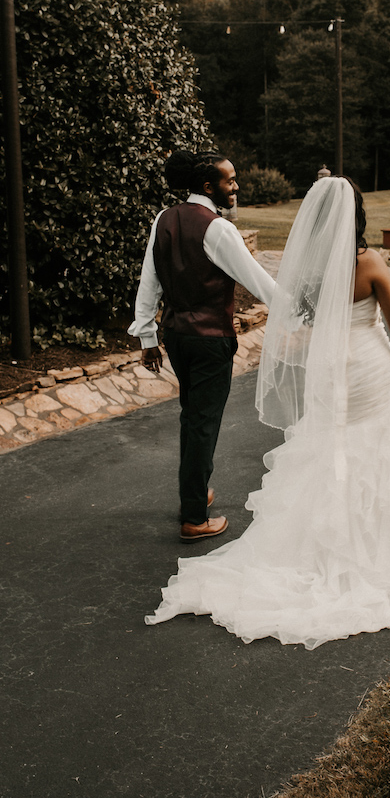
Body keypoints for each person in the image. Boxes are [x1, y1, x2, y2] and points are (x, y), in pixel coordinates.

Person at [145, 177, 390, 647]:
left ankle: (324, 544)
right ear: (358, 216)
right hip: (366, 365)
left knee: (334, 446)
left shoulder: (309, 267)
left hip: (329, 372)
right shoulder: (368, 263)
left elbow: (299, 319)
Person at [129, 149, 276, 541]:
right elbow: (257, 280)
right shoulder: (218, 229)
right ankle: (194, 517)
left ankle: (194, 493)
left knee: (193, 417)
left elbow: (149, 283)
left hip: (176, 337)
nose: (236, 186)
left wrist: (148, 338)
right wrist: (301, 311)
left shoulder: (163, 219)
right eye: (230, 181)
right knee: (202, 424)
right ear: (209, 186)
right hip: (210, 340)